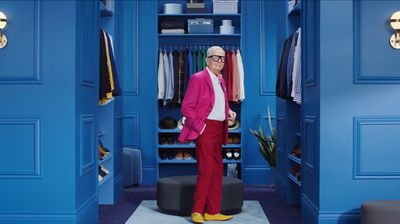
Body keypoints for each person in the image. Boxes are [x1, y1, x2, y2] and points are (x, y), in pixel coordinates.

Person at [178, 46, 236, 223]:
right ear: (207, 59)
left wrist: (229, 112)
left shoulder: (221, 80)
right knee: (206, 169)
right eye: (215, 58)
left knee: (217, 169)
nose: (219, 61)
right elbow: (186, 107)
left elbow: (217, 102)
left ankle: (212, 211)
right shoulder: (198, 78)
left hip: (219, 128)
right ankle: (197, 211)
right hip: (206, 129)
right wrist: (200, 128)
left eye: (222, 58)